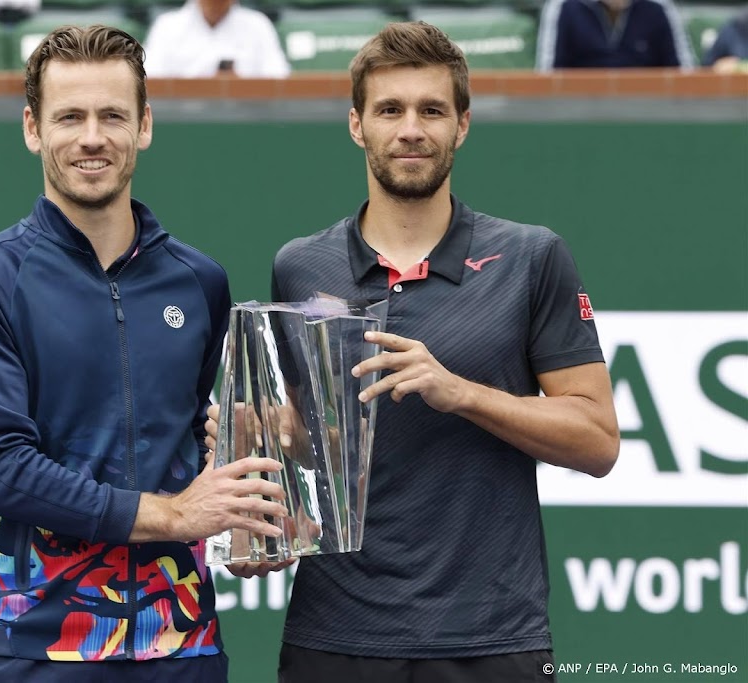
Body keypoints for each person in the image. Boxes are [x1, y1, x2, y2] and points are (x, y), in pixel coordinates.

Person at [206, 21, 620, 683]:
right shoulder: (299, 267)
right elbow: (317, 441)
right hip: (334, 635)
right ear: (356, 125)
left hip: (490, 637)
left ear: (462, 125)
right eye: (389, 110)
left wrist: (458, 391)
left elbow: (598, 440)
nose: (410, 129)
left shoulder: (532, 257)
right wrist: (265, 442)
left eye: (432, 110)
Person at [0, 24, 287, 683]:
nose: (92, 137)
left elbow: (206, 449)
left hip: (184, 650)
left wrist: (247, 528)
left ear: (145, 125)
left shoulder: (199, 281)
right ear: (33, 129)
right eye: (70, 116)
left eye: (112, 115)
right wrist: (175, 514)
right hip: (34, 651)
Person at [143, 0, 290, 78]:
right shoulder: (167, 25)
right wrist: (204, 86)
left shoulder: (258, 25)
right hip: (182, 120)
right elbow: (149, 80)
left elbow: (279, 79)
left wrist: (238, 86)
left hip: (246, 118)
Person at [536, 0, 695, 70]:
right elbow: (548, 76)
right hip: (580, 113)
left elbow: (684, 75)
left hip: (647, 111)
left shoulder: (659, 7)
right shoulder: (563, 7)